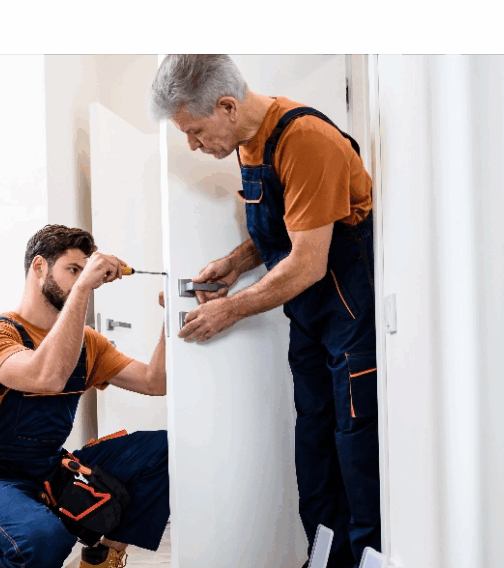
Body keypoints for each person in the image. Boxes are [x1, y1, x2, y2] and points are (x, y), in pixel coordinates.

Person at [149, 55, 380, 568]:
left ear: (227, 106)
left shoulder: (306, 140)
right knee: (314, 445)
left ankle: (368, 561)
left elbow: (308, 262)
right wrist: (234, 262)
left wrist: (228, 312)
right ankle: (323, 560)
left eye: (194, 131)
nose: (192, 144)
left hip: (347, 312)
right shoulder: (247, 141)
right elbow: (290, 225)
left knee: (357, 448)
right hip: (310, 318)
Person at [0, 224, 169, 568]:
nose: (80, 280)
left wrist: (172, 314)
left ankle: (102, 558)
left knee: (164, 450)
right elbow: (45, 376)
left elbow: (155, 381)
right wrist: (83, 289)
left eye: (83, 271)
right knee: (45, 539)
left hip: (53, 466)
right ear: (39, 267)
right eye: (72, 270)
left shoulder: (88, 342)